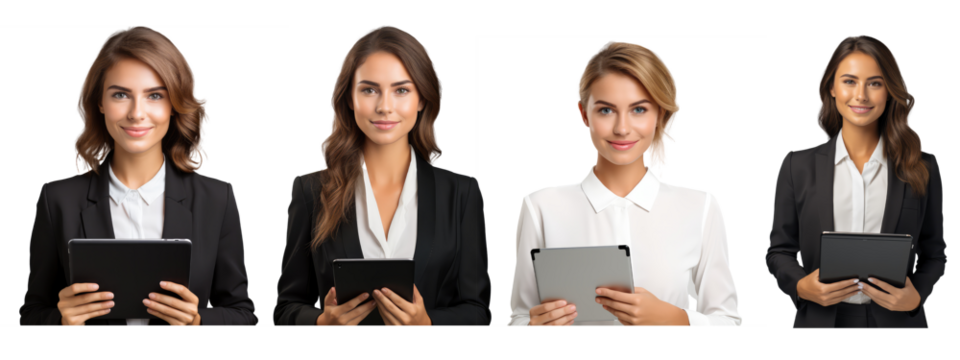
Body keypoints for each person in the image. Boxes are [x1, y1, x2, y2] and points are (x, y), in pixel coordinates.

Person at [18, 25, 259, 327]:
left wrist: (198, 321)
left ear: (174, 104)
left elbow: (244, 312)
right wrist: (62, 322)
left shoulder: (217, 199)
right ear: (100, 103)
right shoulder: (58, 200)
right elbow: (31, 312)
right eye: (120, 94)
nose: (136, 113)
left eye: (155, 95)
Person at [506, 40, 744, 327]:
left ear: (659, 115)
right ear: (584, 114)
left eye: (639, 110)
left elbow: (728, 320)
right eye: (606, 110)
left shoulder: (700, 207)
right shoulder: (540, 207)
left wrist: (678, 319)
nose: (622, 128)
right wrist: (533, 325)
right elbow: (518, 316)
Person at [273, 23, 492, 327]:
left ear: (422, 100)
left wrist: (427, 324)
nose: (384, 107)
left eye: (401, 90)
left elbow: (478, 310)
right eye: (369, 90)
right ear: (350, 98)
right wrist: (321, 323)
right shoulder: (310, 191)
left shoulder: (462, 193)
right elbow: (285, 308)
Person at [765, 34, 946, 329]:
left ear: (888, 90)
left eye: (874, 83)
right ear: (832, 88)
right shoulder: (797, 166)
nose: (861, 95)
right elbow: (779, 251)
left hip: (897, 322)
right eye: (849, 81)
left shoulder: (923, 166)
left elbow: (935, 253)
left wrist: (916, 297)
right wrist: (801, 286)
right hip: (821, 321)